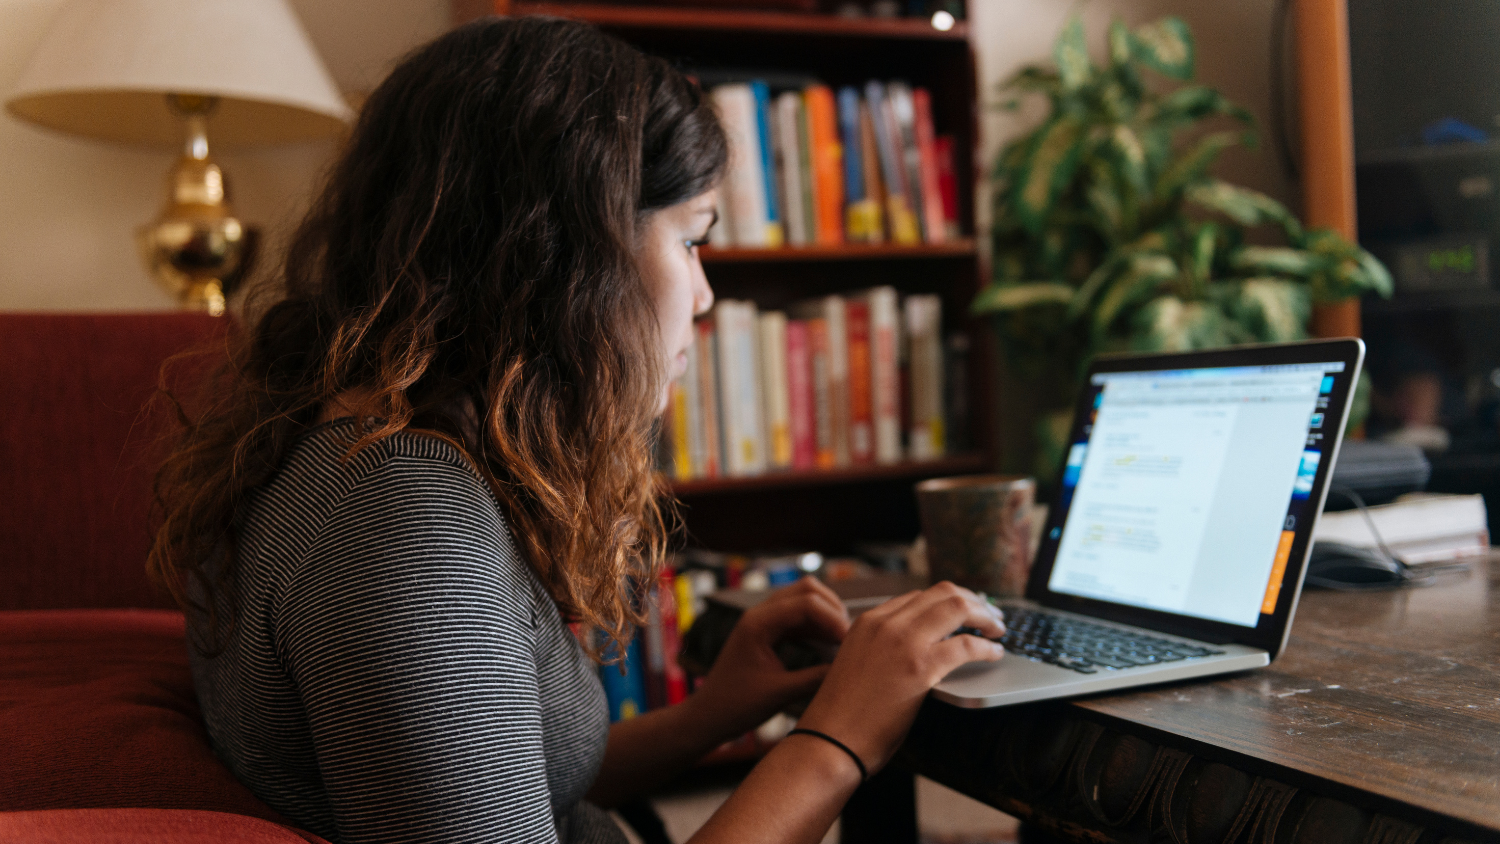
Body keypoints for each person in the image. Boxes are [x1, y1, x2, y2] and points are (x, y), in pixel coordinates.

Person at [148, 16, 1005, 844]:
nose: (704, 298)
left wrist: (715, 712)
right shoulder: (404, 524)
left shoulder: (357, 453)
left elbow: (506, 789)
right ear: (568, 255)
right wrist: (841, 742)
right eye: (693, 240)